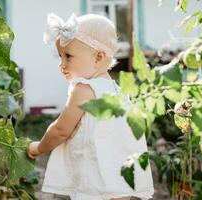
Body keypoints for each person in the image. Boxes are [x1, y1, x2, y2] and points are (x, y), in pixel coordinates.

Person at [27, 13, 154, 200]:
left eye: (68, 56)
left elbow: (61, 130)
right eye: (60, 57)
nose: (62, 65)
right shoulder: (116, 91)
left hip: (93, 182)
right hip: (116, 181)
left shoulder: (84, 90)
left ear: (98, 57)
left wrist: (39, 148)